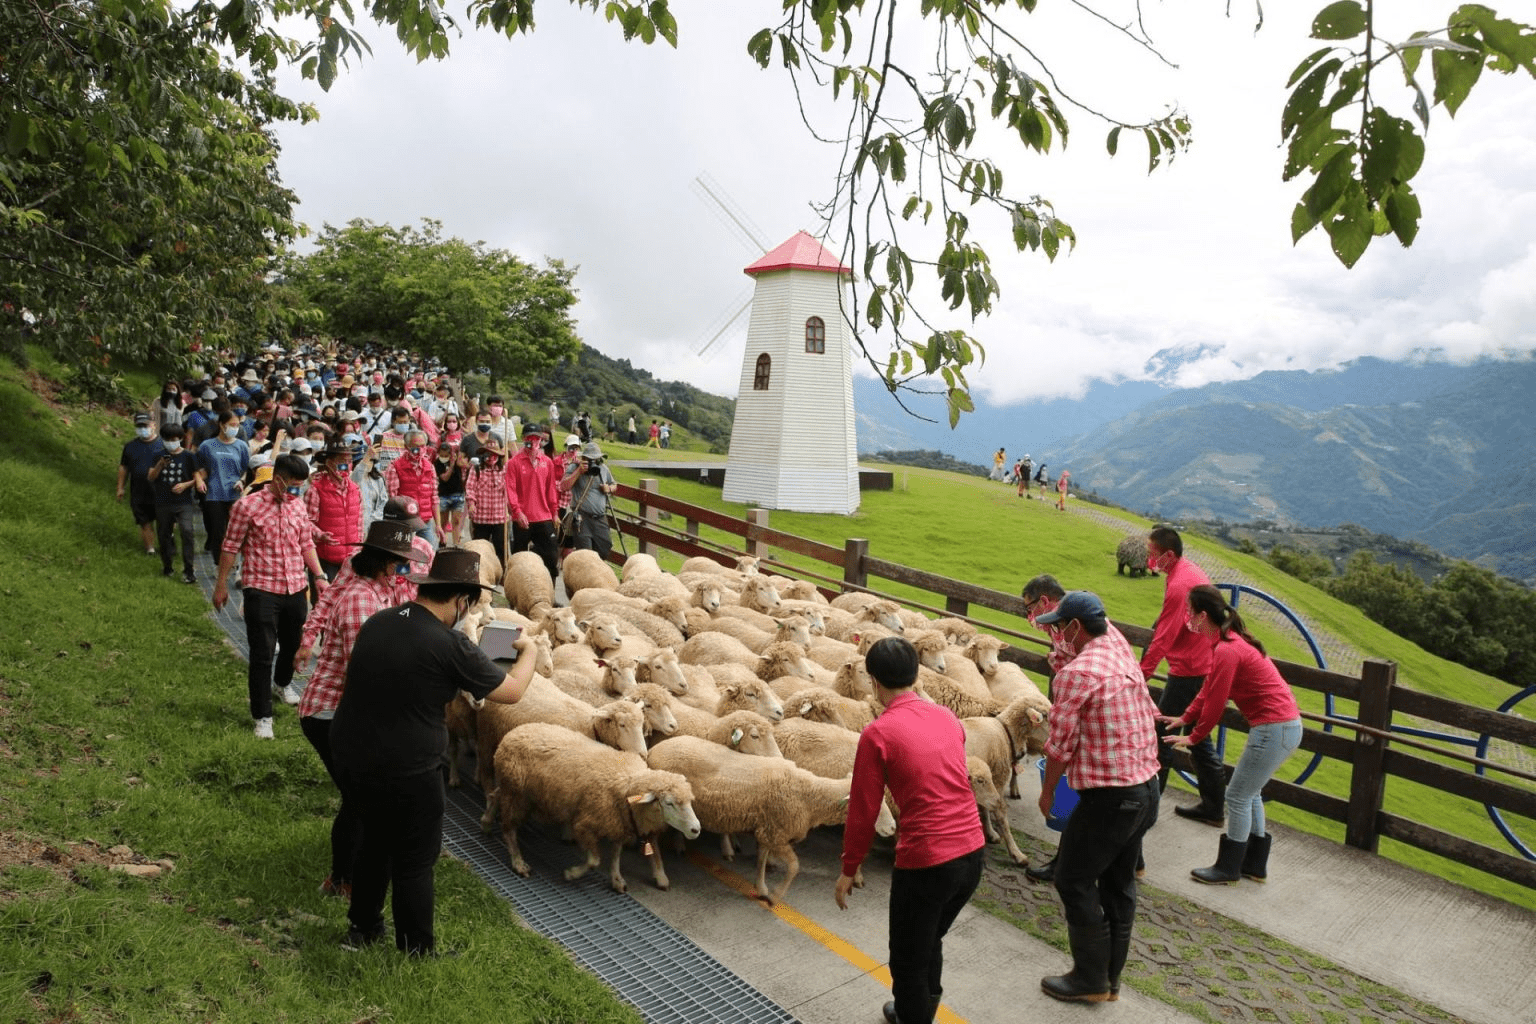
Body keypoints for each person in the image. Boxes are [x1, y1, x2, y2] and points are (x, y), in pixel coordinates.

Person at [329, 547, 537, 956]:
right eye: (472, 604)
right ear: (461, 600)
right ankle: (417, 949)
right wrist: (528, 651)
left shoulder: (380, 621)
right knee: (414, 858)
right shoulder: (449, 645)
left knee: (374, 841)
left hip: (352, 751)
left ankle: (362, 929)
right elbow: (511, 692)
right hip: (408, 766)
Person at [835, 636, 984, 1024]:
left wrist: (849, 868)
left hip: (927, 862)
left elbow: (865, 811)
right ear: (916, 674)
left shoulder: (878, 734)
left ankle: (913, 1013)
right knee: (927, 939)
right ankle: (914, 1011)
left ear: (874, 682)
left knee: (907, 959)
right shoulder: (947, 717)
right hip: (972, 853)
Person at [1035, 591, 1161, 1003]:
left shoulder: (1080, 673)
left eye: (1059, 626)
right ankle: (1110, 979)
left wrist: (1049, 790)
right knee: (1118, 882)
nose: (1056, 633)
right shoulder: (1116, 645)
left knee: (1071, 878)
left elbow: (1059, 745)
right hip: (1146, 789)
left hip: (1110, 797)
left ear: (1075, 628)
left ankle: (1089, 979)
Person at [297, 519, 430, 902]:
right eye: (400, 564)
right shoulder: (361, 600)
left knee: (360, 797)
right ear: (383, 562)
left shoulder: (382, 592)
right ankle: (343, 879)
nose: (403, 571)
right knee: (363, 798)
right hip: (331, 711)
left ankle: (346, 876)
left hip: (353, 709)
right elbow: (369, 666)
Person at [1159, 585, 1301, 885]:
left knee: (1237, 795)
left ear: (1203, 615)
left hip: (1273, 729)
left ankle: (1228, 868)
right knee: (1251, 794)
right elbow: (1208, 689)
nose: (1186, 616)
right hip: (1283, 728)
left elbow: (1215, 703)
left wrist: (1195, 737)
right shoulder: (1226, 643)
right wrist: (1184, 718)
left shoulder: (1227, 649)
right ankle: (1254, 865)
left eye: (1190, 611)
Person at [213, 453, 330, 738]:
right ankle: (262, 716)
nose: (296, 492)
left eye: (300, 487)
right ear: (278, 480)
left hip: (294, 587)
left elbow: (305, 543)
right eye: (292, 486)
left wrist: (319, 575)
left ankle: (282, 682)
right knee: (263, 652)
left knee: (293, 643)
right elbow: (230, 546)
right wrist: (221, 584)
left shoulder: (298, 506)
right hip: (261, 588)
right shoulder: (247, 507)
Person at [1140, 524, 1226, 825]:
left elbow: (1163, 637)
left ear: (1169, 554)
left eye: (1153, 554)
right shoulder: (1186, 570)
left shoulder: (1179, 586)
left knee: (1162, 736)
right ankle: (1214, 808)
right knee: (1198, 739)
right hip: (1203, 665)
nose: (1150, 560)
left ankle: (1146, 811)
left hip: (1189, 670)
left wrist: (1140, 678)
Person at [1019, 572, 1072, 885]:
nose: (1029, 617)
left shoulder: (1069, 626)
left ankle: (1064, 866)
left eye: (1029, 609)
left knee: (1072, 783)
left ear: (1044, 602)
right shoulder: (1062, 625)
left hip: (1086, 720)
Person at [146, 423, 204, 583]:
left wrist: (188, 485)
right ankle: (167, 565)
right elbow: (151, 477)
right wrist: (160, 465)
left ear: (180, 438)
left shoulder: (188, 456)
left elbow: (197, 475)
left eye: (174, 439)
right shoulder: (158, 455)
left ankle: (189, 570)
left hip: (183, 502)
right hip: (163, 502)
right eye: (167, 439)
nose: (171, 442)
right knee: (164, 534)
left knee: (187, 532)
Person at [506, 426, 560, 580]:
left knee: (550, 556)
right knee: (519, 559)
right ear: (524, 439)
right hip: (522, 517)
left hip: (544, 516)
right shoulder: (514, 462)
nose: (534, 441)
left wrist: (554, 512)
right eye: (530, 438)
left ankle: (549, 593)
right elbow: (511, 490)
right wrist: (517, 512)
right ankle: (516, 594)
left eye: (537, 438)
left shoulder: (547, 462)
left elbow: (551, 489)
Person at [305, 442, 364, 580]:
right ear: (330, 463)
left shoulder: (355, 489)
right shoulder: (315, 489)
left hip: (351, 561)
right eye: (342, 462)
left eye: (349, 462)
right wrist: (320, 535)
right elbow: (306, 522)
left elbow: (359, 524)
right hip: (325, 560)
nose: (347, 466)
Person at [558, 442, 617, 560]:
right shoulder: (574, 467)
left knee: (605, 549)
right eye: (590, 459)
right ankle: (585, 575)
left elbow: (614, 484)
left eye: (596, 459)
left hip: (600, 518)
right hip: (582, 517)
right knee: (586, 555)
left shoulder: (603, 469)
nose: (593, 462)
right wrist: (579, 472)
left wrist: (609, 488)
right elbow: (563, 486)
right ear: (583, 458)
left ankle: (594, 573)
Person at [384, 429, 439, 550]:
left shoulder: (429, 467)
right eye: (415, 446)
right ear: (406, 446)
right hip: (403, 522)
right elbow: (392, 499)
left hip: (425, 520)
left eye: (422, 446)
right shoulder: (395, 467)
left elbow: (434, 498)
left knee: (431, 551)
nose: (419, 450)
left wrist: (439, 526)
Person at [117, 411, 162, 555]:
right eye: (140, 426)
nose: (143, 428)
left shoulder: (163, 446)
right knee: (144, 522)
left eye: (146, 425)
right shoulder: (130, 447)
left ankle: (167, 545)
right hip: (139, 491)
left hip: (160, 491)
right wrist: (120, 487)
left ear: (153, 425)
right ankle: (150, 549)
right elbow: (124, 467)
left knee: (164, 521)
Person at [464, 437, 509, 561]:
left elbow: (510, 491)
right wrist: (471, 504)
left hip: (499, 518)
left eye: (495, 454)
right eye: (489, 454)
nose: (492, 457)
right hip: (480, 518)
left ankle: (502, 575)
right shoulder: (476, 469)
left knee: (501, 549)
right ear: (483, 455)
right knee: (479, 549)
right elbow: (470, 489)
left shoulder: (504, 470)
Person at [434, 441, 467, 546]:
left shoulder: (457, 461)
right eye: (442, 455)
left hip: (457, 494)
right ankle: (443, 543)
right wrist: (452, 466)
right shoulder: (437, 463)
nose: (444, 457)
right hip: (443, 495)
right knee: (443, 522)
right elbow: (444, 478)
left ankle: (456, 544)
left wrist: (457, 459)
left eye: (446, 455)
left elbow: (466, 463)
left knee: (456, 521)